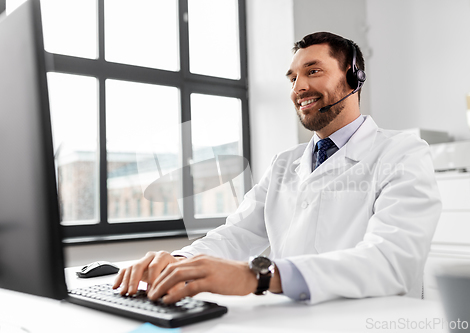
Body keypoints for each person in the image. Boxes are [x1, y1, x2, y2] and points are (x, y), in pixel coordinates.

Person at [113, 32, 442, 305]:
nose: (298, 87)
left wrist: (260, 276)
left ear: (353, 77)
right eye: (293, 77)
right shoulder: (285, 163)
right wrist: (183, 262)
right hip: (295, 317)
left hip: (369, 320)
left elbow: (392, 262)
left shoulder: (402, 152)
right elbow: (238, 233)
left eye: (313, 71)